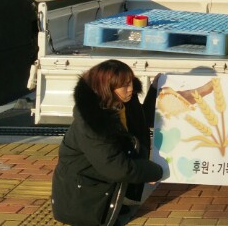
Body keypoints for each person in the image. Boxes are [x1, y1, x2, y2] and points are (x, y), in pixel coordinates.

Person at [52, 60, 164, 226]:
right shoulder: (92, 123)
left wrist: (155, 90)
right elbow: (116, 167)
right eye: (124, 85)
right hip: (83, 197)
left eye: (131, 82)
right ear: (107, 88)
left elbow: (142, 119)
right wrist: (153, 171)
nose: (130, 89)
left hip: (103, 188)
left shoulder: (123, 103)